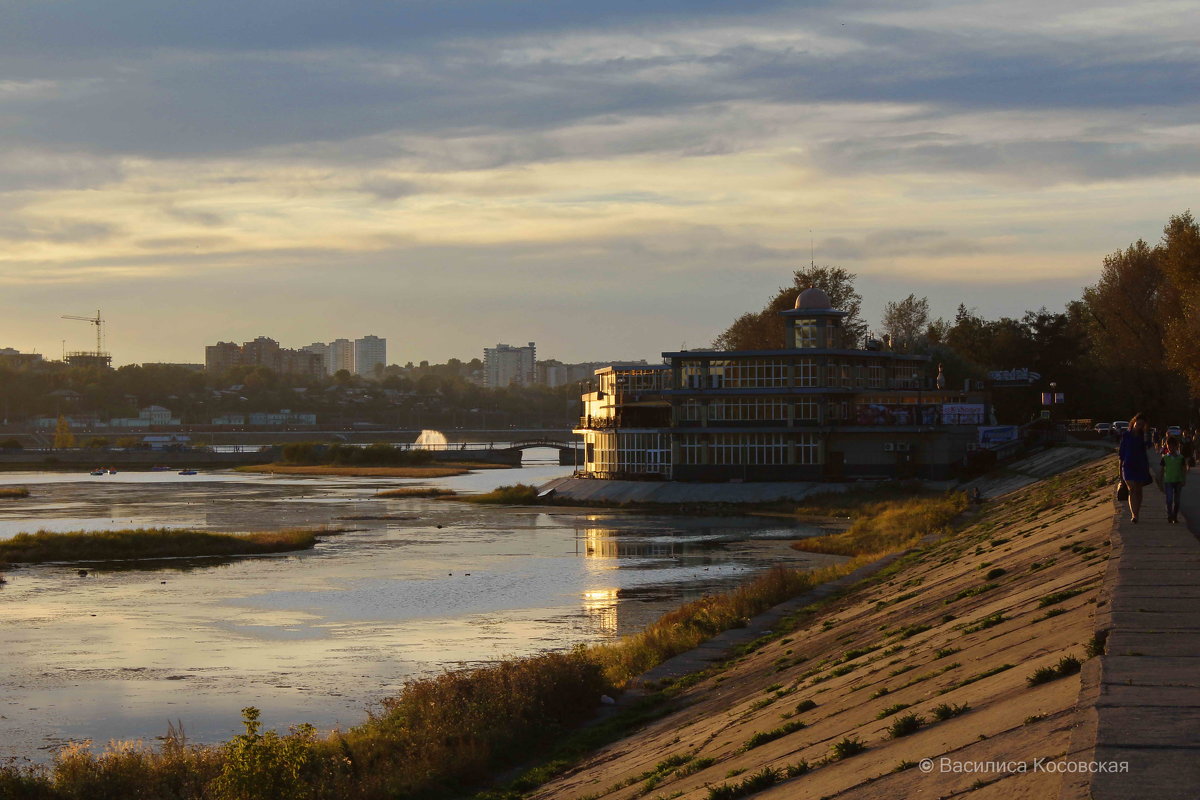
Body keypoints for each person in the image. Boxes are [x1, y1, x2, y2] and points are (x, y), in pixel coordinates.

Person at [1118, 413, 1152, 523]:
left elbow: (1148, 445)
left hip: (1140, 465)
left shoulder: (1144, 436)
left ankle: (1137, 512)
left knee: (1138, 489)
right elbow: (1121, 453)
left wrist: (1146, 433)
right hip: (1128, 465)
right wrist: (1119, 471)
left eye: (1142, 425)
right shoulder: (1126, 435)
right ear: (1133, 423)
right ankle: (1134, 515)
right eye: (1138, 424)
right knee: (1131, 489)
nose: (1139, 426)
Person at [1161, 437, 1187, 524]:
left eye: (1172, 447)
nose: (1170, 449)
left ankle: (1175, 516)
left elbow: (1184, 469)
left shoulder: (1181, 458)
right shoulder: (1165, 458)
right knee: (1169, 499)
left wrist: (1184, 479)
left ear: (1176, 446)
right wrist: (1160, 480)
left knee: (1177, 500)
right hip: (1168, 481)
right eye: (1169, 447)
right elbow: (1161, 470)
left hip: (1178, 481)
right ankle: (1169, 514)